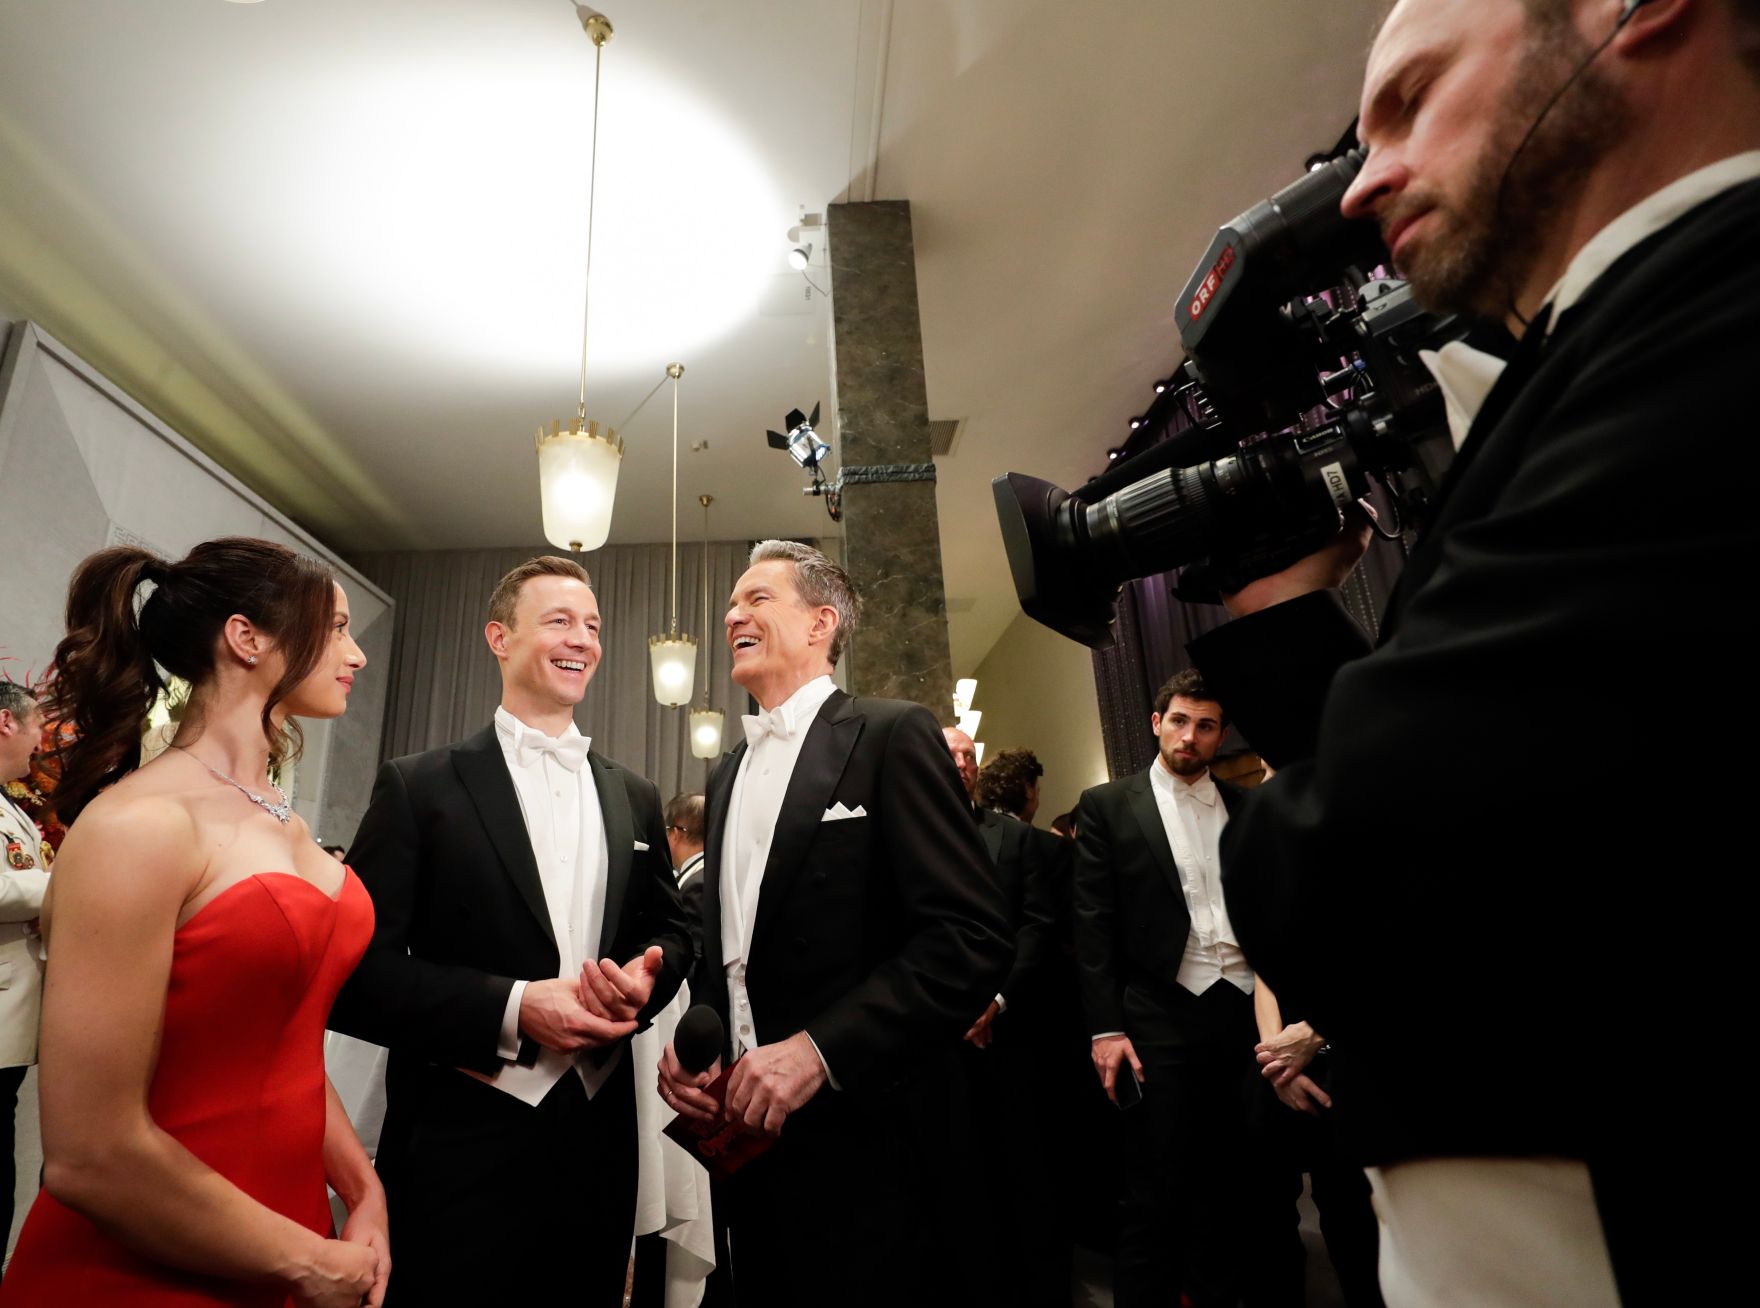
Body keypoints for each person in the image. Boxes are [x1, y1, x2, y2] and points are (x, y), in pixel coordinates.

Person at [1186, 1, 1760, 1300]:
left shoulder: (1707, 313)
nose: (1359, 183)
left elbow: (1366, 882)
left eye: (1411, 101)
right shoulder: (1598, 355)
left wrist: (1291, 821)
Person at [2, 539, 383, 1307]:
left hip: (288, 1231)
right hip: (148, 1262)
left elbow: (282, 1041)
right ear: (247, 638)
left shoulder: (282, 820)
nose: (357, 655)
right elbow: (90, 1154)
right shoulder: (139, 825)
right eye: (337, 627)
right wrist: (306, 1262)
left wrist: (361, 1187)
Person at [328, 555, 693, 1305]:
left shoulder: (634, 794)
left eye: (592, 626)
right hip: (458, 1144)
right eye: (559, 621)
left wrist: (647, 977)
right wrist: (514, 1008)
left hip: (598, 1139)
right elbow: (354, 977)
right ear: (500, 637)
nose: (582, 639)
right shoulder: (419, 786)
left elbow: (671, 926)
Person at [658, 540, 1012, 1307]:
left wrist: (819, 1051)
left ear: (822, 624)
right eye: (732, 603)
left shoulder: (891, 734)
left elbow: (969, 937)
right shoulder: (727, 774)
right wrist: (701, 1053)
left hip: (874, 1132)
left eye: (757, 599)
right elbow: (732, 953)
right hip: (752, 1141)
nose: (732, 615)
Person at [1072, 669, 1287, 1307]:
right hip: (1158, 1014)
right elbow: (1092, 925)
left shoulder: (1247, 807)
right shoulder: (1108, 805)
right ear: (1156, 723)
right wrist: (1106, 1029)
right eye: (1180, 721)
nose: (1190, 736)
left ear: (1222, 734)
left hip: (1247, 1013)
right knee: (1155, 1183)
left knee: (1244, 1177)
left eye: (1206, 725)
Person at [943, 726, 1068, 1307]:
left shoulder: (1014, 839)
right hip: (936, 1038)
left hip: (1011, 1036)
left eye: (969, 754)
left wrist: (997, 999)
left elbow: (1037, 925)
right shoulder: (902, 835)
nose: (962, 763)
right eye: (950, 753)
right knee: (956, 1178)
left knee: (1026, 1172)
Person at [0, 682, 51, 1272]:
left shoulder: (12, 804)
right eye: (36, 725)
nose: (41, 741)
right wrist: (64, 885)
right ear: (5, 722)